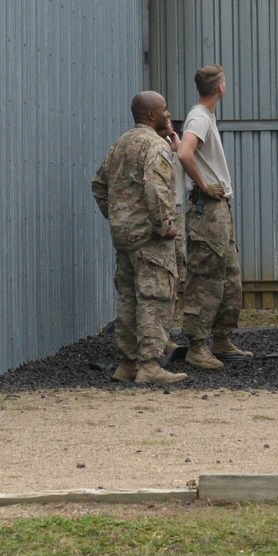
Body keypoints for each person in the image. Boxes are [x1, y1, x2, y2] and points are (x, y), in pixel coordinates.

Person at [91, 92, 188, 384]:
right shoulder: (155, 146)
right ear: (150, 116)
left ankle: (126, 364)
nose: (168, 114)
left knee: (129, 299)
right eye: (164, 110)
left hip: (124, 237)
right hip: (149, 237)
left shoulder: (120, 144)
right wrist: (163, 226)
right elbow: (156, 190)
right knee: (154, 297)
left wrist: (118, 215)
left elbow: (98, 184)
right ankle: (149, 365)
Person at [175, 65, 247, 371]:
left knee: (229, 276)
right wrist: (204, 185)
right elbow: (185, 153)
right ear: (221, 88)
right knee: (206, 276)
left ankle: (221, 338)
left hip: (219, 208)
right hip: (208, 207)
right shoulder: (200, 118)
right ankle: (196, 345)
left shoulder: (205, 117)